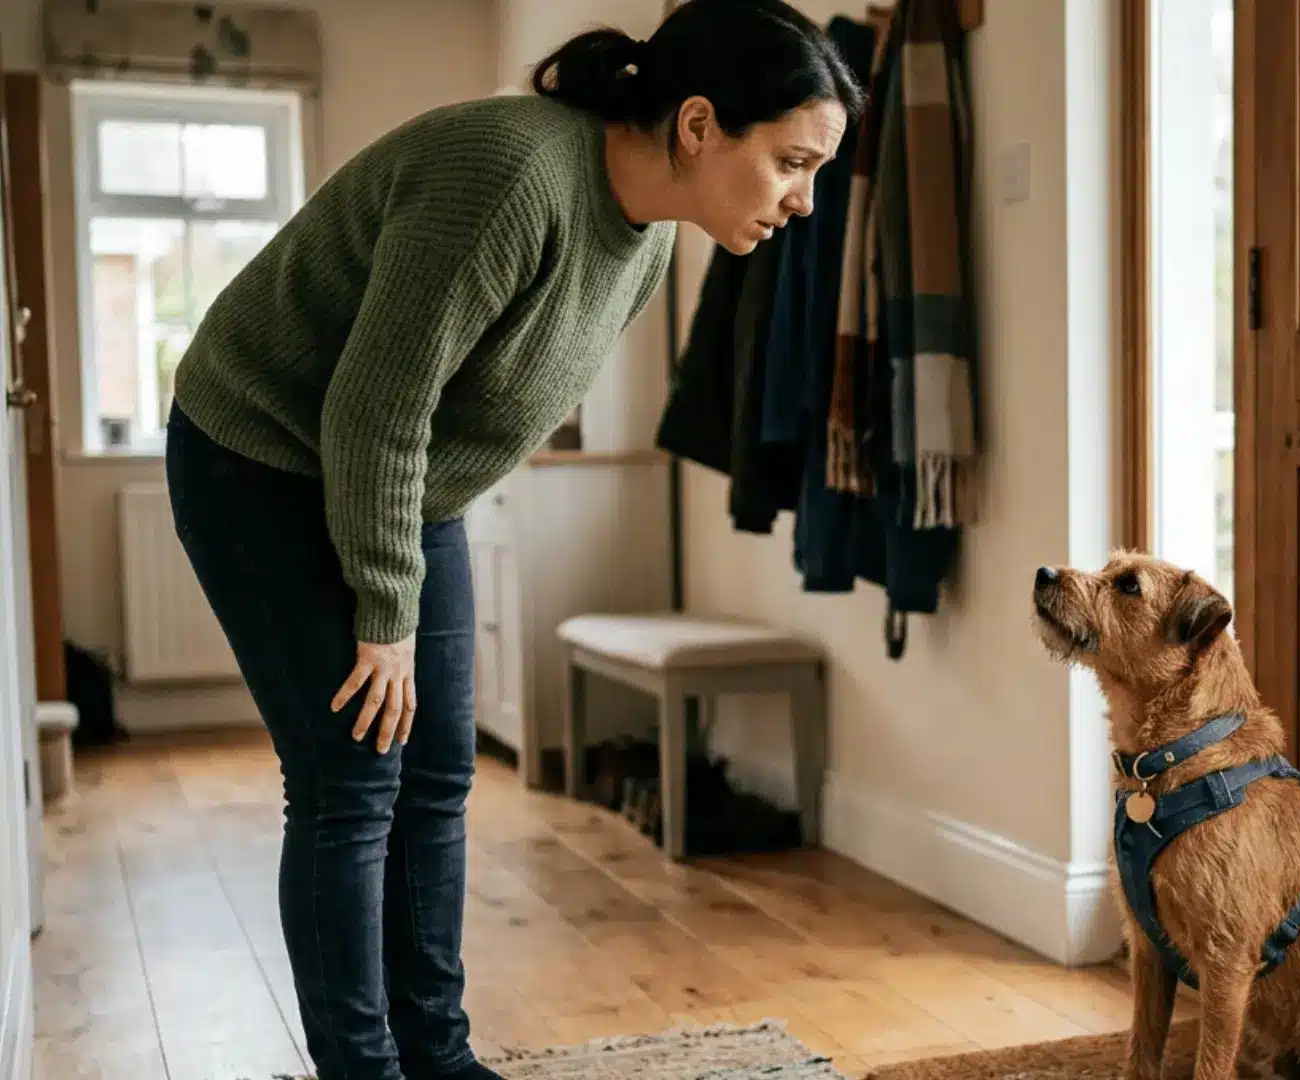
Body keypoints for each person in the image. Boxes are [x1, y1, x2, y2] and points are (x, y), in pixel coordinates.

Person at [162, 2, 863, 1077]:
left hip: (403, 481)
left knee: (437, 773)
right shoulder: (511, 177)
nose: (802, 200)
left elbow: (451, 413)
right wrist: (385, 613)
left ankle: (439, 1060)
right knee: (352, 782)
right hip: (258, 454)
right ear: (697, 125)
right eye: (790, 162)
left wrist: (402, 568)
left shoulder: (644, 245)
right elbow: (373, 409)